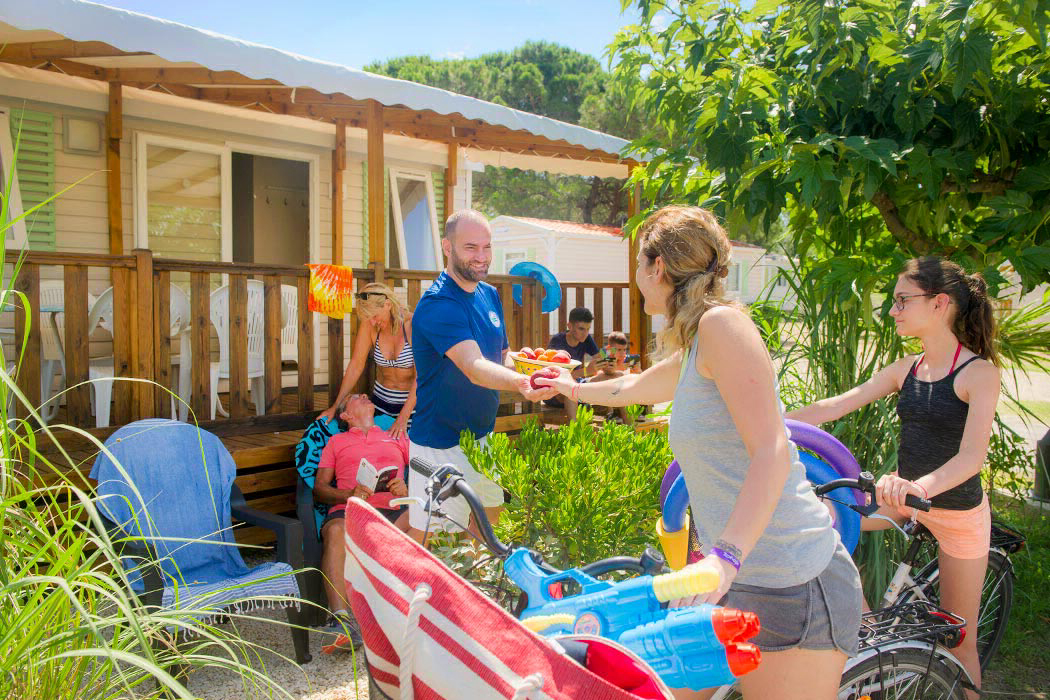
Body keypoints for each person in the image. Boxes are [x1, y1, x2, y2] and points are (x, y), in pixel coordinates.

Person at [535, 206, 861, 700]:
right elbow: (634, 388)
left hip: (793, 580)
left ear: (657, 268)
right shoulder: (695, 344)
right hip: (727, 578)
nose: (638, 279)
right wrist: (569, 386)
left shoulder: (722, 327)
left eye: (638, 266)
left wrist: (725, 556)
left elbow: (772, 448)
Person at [787, 257, 1001, 699]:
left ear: (940, 303)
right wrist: (765, 423)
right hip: (902, 502)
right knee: (819, 521)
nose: (892, 310)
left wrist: (919, 486)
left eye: (902, 300)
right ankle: (869, 633)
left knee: (959, 642)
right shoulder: (907, 368)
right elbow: (834, 405)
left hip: (957, 514)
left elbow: (971, 458)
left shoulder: (978, 373)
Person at [407, 209, 555, 542]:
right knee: (433, 545)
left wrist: (535, 366)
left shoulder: (488, 294)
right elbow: (474, 368)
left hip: (483, 438)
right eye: (471, 247)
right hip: (439, 444)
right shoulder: (437, 304)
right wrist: (522, 383)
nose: (482, 257)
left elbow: (499, 356)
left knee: (491, 534)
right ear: (447, 247)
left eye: (487, 247)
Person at [313, 393, 411, 644]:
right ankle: (340, 622)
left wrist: (407, 490)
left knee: (424, 514)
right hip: (352, 510)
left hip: (395, 512)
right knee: (334, 531)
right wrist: (349, 494)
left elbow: (425, 477)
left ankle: (411, 611)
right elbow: (320, 489)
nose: (365, 395)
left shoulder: (397, 436)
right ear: (345, 415)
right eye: (357, 397)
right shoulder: (336, 442)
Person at [322, 282, 415, 439]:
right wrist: (335, 406)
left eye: (374, 316)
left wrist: (402, 419)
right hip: (380, 405)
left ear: (387, 304)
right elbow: (356, 366)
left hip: (412, 409)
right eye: (368, 318)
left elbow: (423, 376)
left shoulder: (413, 325)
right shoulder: (370, 325)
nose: (372, 322)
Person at [544, 307, 609, 419]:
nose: (585, 333)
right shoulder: (558, 341)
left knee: (613, 377)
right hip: (555, 392)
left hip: (576, 386)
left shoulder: (586, 339)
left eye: (588, 329)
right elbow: (556, 377)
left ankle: (627, 426)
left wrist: (609, 357)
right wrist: (586, 371)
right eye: (581, 329)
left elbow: (599, 357)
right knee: (571, 388)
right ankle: (574, 432)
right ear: (569, 326)